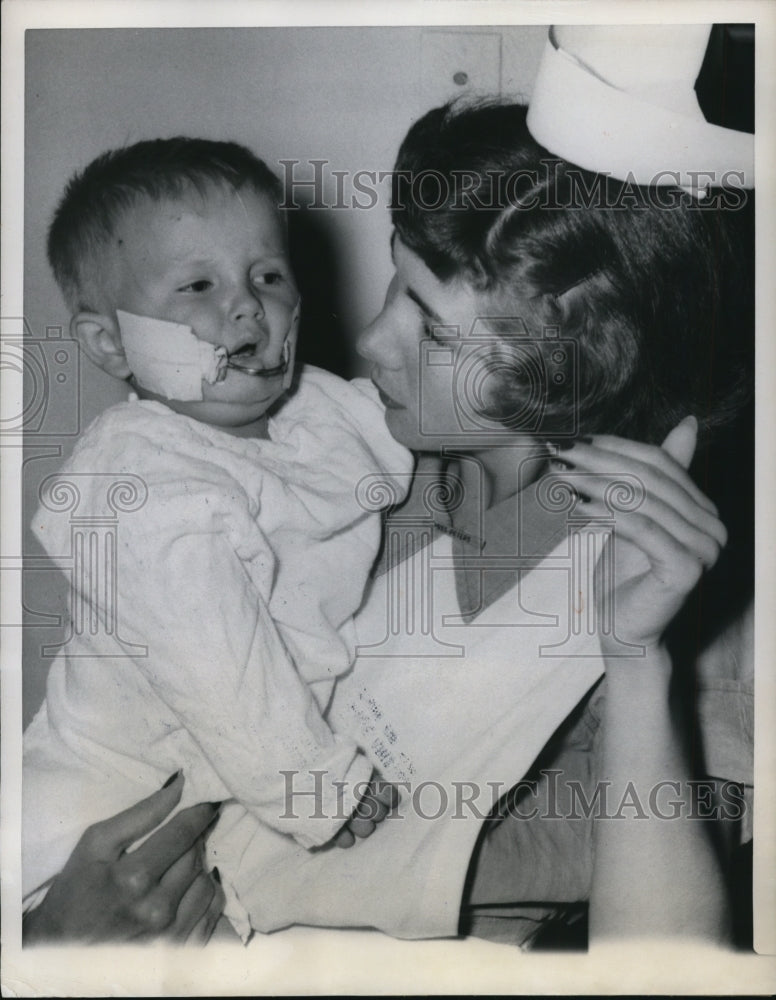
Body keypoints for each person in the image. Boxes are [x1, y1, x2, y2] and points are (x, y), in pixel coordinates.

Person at [25, 99, 753, 945]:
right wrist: (50, 934)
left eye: (433, 327)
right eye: (393, 279)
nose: (370, 339)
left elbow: (664, 959)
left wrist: (634, 665)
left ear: (569, 357)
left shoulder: (683, 582)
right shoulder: (344, 454)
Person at [22, 138, 407, 940]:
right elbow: (218, 660)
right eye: (197, 286)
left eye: (267, 275)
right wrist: (316, 784)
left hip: (217, 801)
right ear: (110, 344)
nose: (244, 306)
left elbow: (420, 442)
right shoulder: (136, 476)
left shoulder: (320, 410)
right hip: (88, 813)